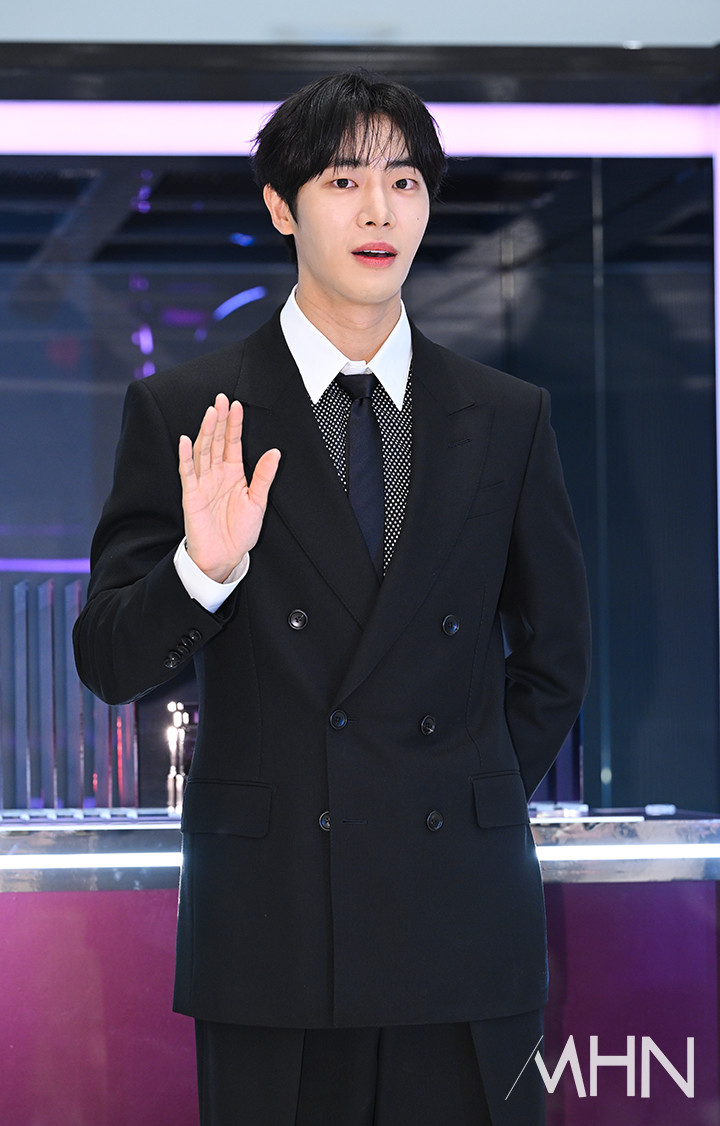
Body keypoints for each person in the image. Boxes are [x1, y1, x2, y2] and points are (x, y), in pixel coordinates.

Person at [73, 70, 591, 1126]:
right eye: (344, 180)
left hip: (461, 917)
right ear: (281, 206)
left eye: (405, 181)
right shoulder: (189, 410)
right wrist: (203, 571)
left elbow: (558, 655)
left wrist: (460, 788)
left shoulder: (506, 414)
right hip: (274, 932)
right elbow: (110, 660)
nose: (378, 210)